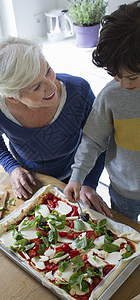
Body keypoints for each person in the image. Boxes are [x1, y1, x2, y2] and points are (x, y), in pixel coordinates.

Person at [0, 36, 111, 216]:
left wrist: (89, 183)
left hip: (77, 176)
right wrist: (13, 168)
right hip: (34, 182)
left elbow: (99, 139)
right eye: (36, 86)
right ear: (13, 98)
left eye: (47, 70)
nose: (51, 86)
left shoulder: (79, 91)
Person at [64, 1, 140, 222]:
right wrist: (77, 176)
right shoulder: (111, 95)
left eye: (132, 78)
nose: (123, 84)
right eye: (116, 76)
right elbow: (93, 140)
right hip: (123, 190)